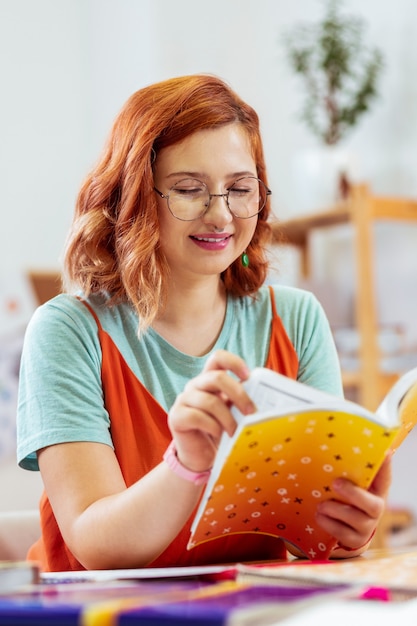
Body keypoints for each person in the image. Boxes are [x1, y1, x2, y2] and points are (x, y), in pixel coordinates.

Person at [16, 74, 391, 572]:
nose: (221, 215)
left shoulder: (297, 320)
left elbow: (307, 538)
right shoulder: (68, 330)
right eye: (189, 189)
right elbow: (97, 545)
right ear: (132, 197)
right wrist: (187, 463)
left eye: (240, 189)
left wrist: (345, 530)